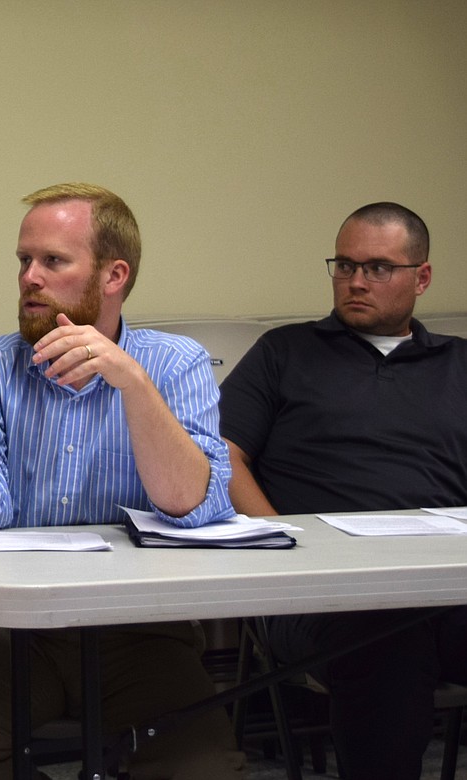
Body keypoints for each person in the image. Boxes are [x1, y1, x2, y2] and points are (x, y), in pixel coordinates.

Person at [0, 182, 245, 779]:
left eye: (53, 260)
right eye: (25, 260)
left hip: (142, 627)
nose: (30, 276)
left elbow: (192, 506)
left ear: (113, 275)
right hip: (9, 627)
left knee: (201, 765)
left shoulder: (175, 362)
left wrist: (132, 382)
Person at [219, 201, 467, 779]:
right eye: (345, 265)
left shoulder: (459, 365)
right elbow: (221, 454)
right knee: (385, 636)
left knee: (409, 631)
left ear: (422, 277)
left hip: (448, 583)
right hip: (323, 592)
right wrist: (284, 542)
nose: (356, 281)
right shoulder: (285, 352)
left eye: (378, 267)